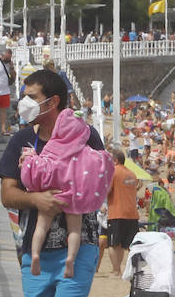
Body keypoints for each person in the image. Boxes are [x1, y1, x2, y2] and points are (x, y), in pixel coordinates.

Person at [0, 69, 105, 297]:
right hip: (36, 245)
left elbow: (99, 180)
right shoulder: (22, 140)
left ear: (53, 101)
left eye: (31, 95)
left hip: (81, 239)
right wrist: (37, 199)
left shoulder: (86, 135)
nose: (24, 101)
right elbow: (7, 194)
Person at [18, 111, 113, 278]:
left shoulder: (52, 146)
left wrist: (29, 160)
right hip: (73, 197)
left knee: (41, 227)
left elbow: (41, 166)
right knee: (75, 230)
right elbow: (101, 162)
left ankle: (35, 254)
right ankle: (70, 259)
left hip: (51, 195)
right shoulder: (85, 151)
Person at [105, 149, 141, 276]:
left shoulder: (113, 172)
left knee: (114, 244)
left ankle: (116, 270)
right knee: (130, 244)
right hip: (132, 213)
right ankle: (133, 270)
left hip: (117, 212)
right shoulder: (132, 174)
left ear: (115, 160)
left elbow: (107, 190)